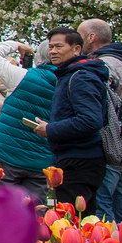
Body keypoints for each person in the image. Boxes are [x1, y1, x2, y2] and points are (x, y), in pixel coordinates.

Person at [28, 27, 107, 211]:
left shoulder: (81, 77)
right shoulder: (68, 75)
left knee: (74, 223)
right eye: (51, 47)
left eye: (59, 46)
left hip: (80, 160)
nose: (53, 51)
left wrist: (50, 130)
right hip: (72, 157)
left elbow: (90, 120)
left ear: (77, 49)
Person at [81, 18, 122, 222]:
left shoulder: (103, 65)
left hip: (109, 144)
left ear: (91, 37)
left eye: (80, 36)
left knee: (103, 202)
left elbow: (100, 104)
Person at [0, 38, 56, 203]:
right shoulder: (68, 82)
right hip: (41, 159)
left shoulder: (22, 76)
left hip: (7, 154)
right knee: (36, 212)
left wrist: (16, 45)